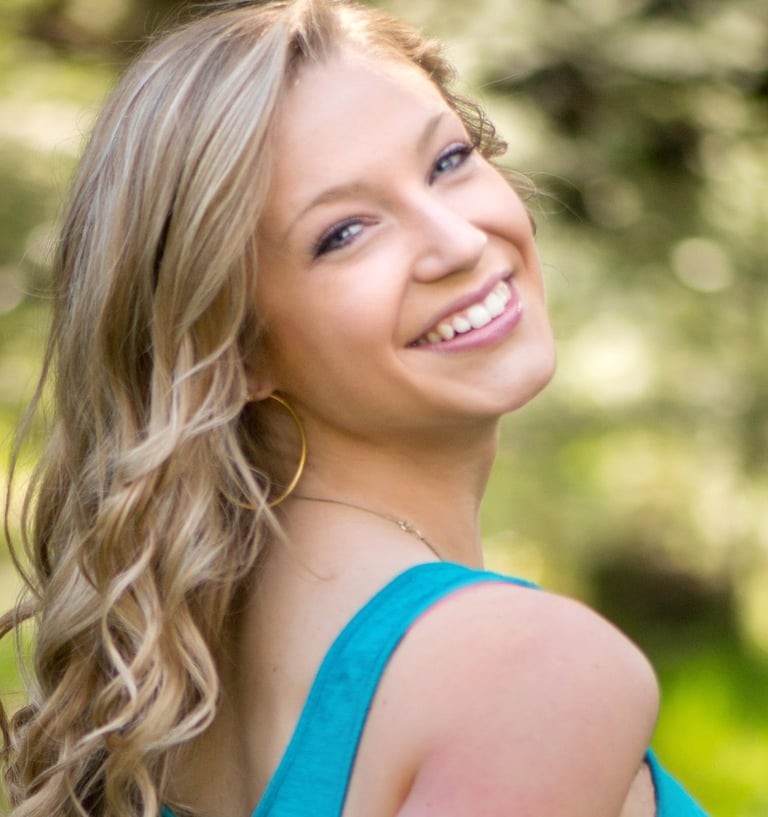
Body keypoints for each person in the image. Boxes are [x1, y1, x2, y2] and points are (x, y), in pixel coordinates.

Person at [0, 1, 710, 816]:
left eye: (448, 160)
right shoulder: (526, 672)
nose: (459, 241)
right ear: (235, 348)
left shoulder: (174, 682)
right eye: (344, 233)